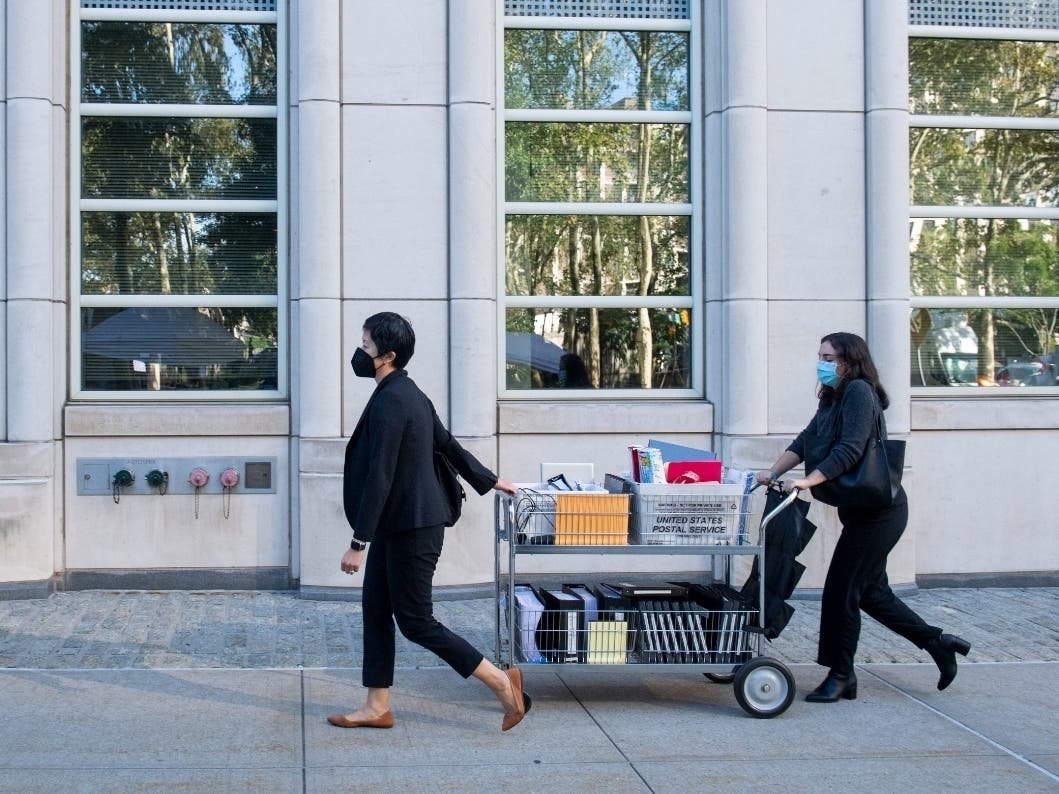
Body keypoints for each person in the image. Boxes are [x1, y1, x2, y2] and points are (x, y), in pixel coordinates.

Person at [328, 312, 530, 731]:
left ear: (388, 355)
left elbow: (380, 475)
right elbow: (447, 444)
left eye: (366, 347)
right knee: (376, 610)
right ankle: (376, 706)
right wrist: (490, 479)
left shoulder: (394, 400)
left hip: (412, 528)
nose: (360, 354)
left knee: (416, 621)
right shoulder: (406, 392)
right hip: (399, 523)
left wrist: (358, 542)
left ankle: (499, 682)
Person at [757, 331, 970, 703]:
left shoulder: (858, 391)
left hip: (881, 514)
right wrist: (772, 473)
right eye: (819, 356)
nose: (821, 363)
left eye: (828, 357)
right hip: (860, 512)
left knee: (841, 590)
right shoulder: (833, 395)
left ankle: (841, 675)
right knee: (872, 593)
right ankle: (937, 643)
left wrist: (809, 480)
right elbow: (806, 440)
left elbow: (850, 449)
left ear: (849, 361)